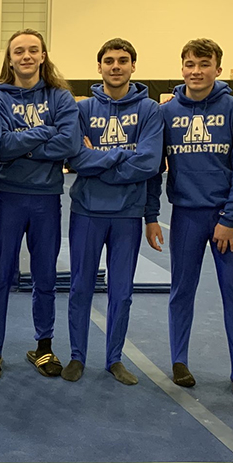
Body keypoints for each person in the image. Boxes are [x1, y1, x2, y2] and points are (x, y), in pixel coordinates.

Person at [144, 38, 233, 395]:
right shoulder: (165, 113)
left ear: (218, 70)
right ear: (181, 68)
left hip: (227, 219)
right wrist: (150, 214)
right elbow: (153, 168)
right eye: (190, 64)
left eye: (204, 64)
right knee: (181, 290)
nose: (196, 71)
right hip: (186, 217)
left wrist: (230, 216)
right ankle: (179, 361)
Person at [0, 29, 80, 380]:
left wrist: (22, 143)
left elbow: (68, 142)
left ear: (42, 56)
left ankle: (44, 346)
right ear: (9, 59)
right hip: (6, 197)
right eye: (18, 51)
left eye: (32, 50)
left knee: (45, 277)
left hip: (45, 199)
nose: (25, 56)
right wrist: (43, 134)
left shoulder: (61, 97)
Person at [65, 37, 163, 385]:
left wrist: (99, 162)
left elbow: (150, 163)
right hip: (87, 211)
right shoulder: (81, 110)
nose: (116, 66)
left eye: (123, 60)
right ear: (100, 67)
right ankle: (77, 356)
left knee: (121, 291)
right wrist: (124, 155)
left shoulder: (150, 110)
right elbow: (75, 157)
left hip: (127, 215)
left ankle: (114, 358)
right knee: (80, 287)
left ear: (133, 66)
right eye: (109, 60)